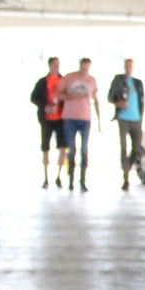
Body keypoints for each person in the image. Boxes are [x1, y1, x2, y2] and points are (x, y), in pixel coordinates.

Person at [56, 56, 100, 191]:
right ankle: (71, 180)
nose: (85, 68)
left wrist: (99, 120)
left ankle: (83, 181)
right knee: (72, 149)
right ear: (80, 65)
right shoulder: (69, 78)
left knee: (84, 150)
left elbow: (95, 99)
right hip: (70, 117)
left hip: (85, 118)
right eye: (84, 65)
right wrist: (72, 97)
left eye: (88, 66)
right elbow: (59, 94)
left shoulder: (92, 80)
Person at [107, 56, 145, 189]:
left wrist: (141, 116)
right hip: (123, 118)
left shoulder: (138, 83)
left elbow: (142, 100)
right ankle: (126, 177)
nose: (128, 68)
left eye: (131, 66)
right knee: (124, 148)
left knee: (136, 149)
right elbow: (110, 97)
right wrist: (119, 103)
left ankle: (128, 167)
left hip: (136, 119)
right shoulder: (118, 80)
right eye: (127, 66)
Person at [29, 56, 63, 187]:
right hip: (46, 119)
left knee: (62, 147)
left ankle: (59, 176)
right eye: (55, 64)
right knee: (45, 147)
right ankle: (46, 177)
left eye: (58, 64)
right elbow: (33, 98)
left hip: (60, 119)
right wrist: (45, 106)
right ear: (50, 65)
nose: (57, 67)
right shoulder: (42, 82)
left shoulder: (63, 80)